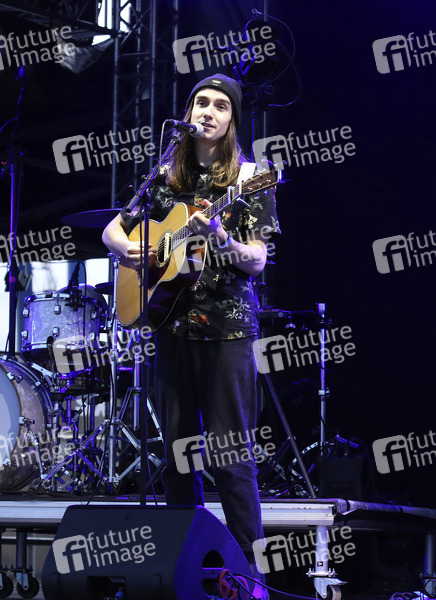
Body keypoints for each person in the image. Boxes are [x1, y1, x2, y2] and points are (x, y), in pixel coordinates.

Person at [102, 73, 278, 598]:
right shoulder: (165, 174)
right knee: (178, 455)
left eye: (220, 105)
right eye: (201, 102)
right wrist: (127, 249)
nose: (208, 111)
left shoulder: (251, 178)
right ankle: (187, 575)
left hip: (227, 329)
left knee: (231, 457)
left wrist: (220, 234)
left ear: (232, 120)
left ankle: (250, 581)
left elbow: (257, 260)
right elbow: (113, 228)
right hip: (171, 325)